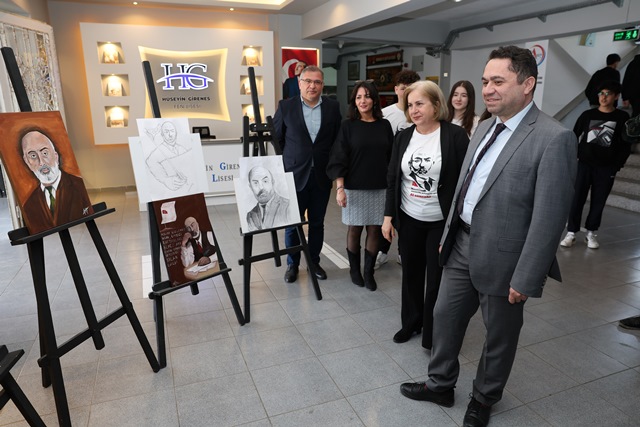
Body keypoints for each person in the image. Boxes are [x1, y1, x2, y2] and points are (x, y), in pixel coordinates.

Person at [399, 46, 577, 427]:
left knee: (499, 335)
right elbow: (465, 187)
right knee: (444, 316)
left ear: (527, 84)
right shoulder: (483, 126)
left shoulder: (553, 137)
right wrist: (449, 234)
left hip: (507, 257)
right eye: (485, 81)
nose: (488, 89)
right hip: (462, 244)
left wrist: (527, 276)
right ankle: (440, 383)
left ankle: (483, 397)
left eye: (498, 81)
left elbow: (549, 218)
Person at [382, 80, 469, 347]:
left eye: (420, 103)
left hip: (439, 222)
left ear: (436, 104)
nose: (414, 110)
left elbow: (465, 182)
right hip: (409, 219)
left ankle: (432, 332)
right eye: (410, 105)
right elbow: (393, 178)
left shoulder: (454, 136)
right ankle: (411, 323)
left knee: (436, 280)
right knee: (411, 274)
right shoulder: (403, 137)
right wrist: (388, 217)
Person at [273, 65, 342, 283]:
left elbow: (336, 140)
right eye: (308, 81)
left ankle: (314, 262)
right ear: (299, 83)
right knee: (293, 224)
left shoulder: (333, 107)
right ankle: (292, 264)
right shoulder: (286, 106)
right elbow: (277, 139)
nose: (312, 86)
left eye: (317, 82)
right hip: (294, 175)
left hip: (321, 175)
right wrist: (289, 161)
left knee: (317, 223)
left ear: (322, 85)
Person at [327, 81, 393, 291]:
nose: (363, 101)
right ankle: (354, 270)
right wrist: (340, 188)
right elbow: (339, 157)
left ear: (374, 100)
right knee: (354, 229)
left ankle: (368, 272)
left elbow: (391, 157)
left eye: (367, 96)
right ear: (354, 102)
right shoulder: (348, 126)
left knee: (374, 230)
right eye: (358, 97)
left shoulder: (384, 125)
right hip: (354, 188)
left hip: (380, 187)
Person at [560, 80, 630, 249]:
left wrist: (616, 165)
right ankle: (571, 232)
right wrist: (574, 157)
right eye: (601, 93)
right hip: (584, 164)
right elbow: (573, 135)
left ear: (616, 97)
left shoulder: (622, 118)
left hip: (606, 168)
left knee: (599, 201)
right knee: (576, 199)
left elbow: (625, 144)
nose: (603, 97)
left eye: (608, 94)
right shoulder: (587, 115)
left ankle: (591, 233)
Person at [376, 69, 421, 269]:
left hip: (413, 175)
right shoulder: (385, 114)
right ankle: (382, 251)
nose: (407, 92)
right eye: (403, 88)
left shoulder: (420, 114)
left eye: (411, 88)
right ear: (396, 90)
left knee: (407, 216)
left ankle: (404, 252)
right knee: (386, 213)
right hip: (389, 172)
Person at [20, 129, 93, 232]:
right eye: (33, 156)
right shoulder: (29, 204)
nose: (41, 162)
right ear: (27, 162)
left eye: (45, 153)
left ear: (56, 156)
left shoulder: (78, 186)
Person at [145, 121, 190, 191]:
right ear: (162, 135)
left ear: (176, 133)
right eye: (166, 132)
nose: (170, 134)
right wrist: (165, 180)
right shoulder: (158, 151)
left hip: (188, 188)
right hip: (170, 192)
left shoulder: (182, 149)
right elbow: (149, 161)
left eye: (172, 131)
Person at [245, 165, 291, 231]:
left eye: (265, 181)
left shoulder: (288, 206)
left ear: (272, 182)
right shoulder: (250, 215)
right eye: (255, 183)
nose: (261, 187)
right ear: (250, 187)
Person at [623, 52, 640, 117]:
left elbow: (626, 80)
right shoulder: (634, 63)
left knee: (636, 115)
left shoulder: (633, 63)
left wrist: (625, 97)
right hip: (636, 96)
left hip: (634, 97)